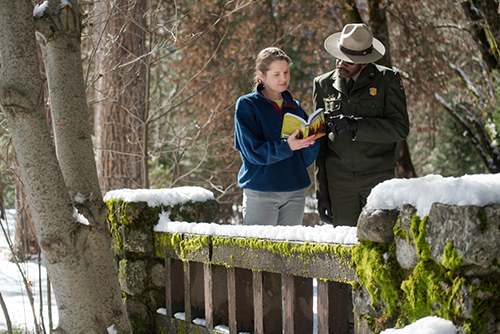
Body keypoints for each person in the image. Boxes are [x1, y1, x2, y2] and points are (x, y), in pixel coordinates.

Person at [313, 23, 409, 227]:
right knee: (346, 246)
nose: (341, 63)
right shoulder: (322, 84)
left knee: (379, 244)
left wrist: (357, 126)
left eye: (349, 60)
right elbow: (319, 143)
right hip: (339, 182)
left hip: (377, 178)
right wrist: (322, 191)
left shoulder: (387, 79)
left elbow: (400, 128)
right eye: (340, 56)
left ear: (364, 61)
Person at [234, 47, 320, 226]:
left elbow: (304, 159)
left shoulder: (294, 107)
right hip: (261, 190)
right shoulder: (247, 105)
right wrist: (287, 146)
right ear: (262, 75)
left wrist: (312, 141)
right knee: (259, 253)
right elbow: (252, 152)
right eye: (276, 74)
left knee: (289, 252)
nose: (283, 78)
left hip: (295, 191)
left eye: (286, 72)